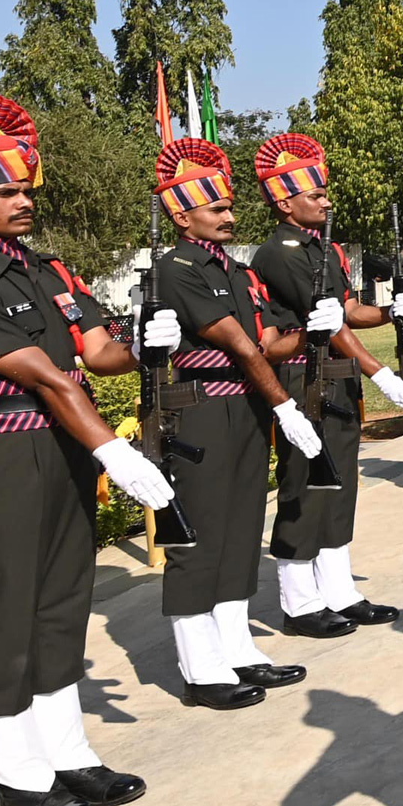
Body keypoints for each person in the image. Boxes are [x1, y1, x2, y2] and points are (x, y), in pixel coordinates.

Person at [0, 93, 179, 806]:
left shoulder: (46, 269)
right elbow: (47, 377)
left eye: (26, 187)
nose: (22, 200)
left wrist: (148, 343)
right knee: (5, 614)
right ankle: (17, 773)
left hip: (63, 447)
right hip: (3, 452)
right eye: (4, 191)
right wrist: (113, 449)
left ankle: (65, 751)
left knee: (62, 605)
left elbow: (96, 355)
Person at [153, 138, 323, 710]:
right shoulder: (176, 268)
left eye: (229, 207)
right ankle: (200, 667)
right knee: (199, 536)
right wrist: (285, 406)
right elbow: (242, 345)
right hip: (202, 408)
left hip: (244, 407)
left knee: (240, 527)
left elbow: (272, 342)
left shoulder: (240, 271)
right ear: (182, 216)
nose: (230, 216)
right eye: (216, 209)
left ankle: (236, 647)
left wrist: (315, 331)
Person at [251, 134, 403, 637]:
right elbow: (326, 324)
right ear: (284, 202)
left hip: (334, 377)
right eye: (315, 195)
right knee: (305, 485)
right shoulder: (280, 253)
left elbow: (347, 311)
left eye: (325, 193)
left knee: (339, 485)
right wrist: (381, 372)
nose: (326, 201)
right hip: (303, 377)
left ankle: (339, 590)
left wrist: (392, 311)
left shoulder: (322, 249)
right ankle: (299, 601)